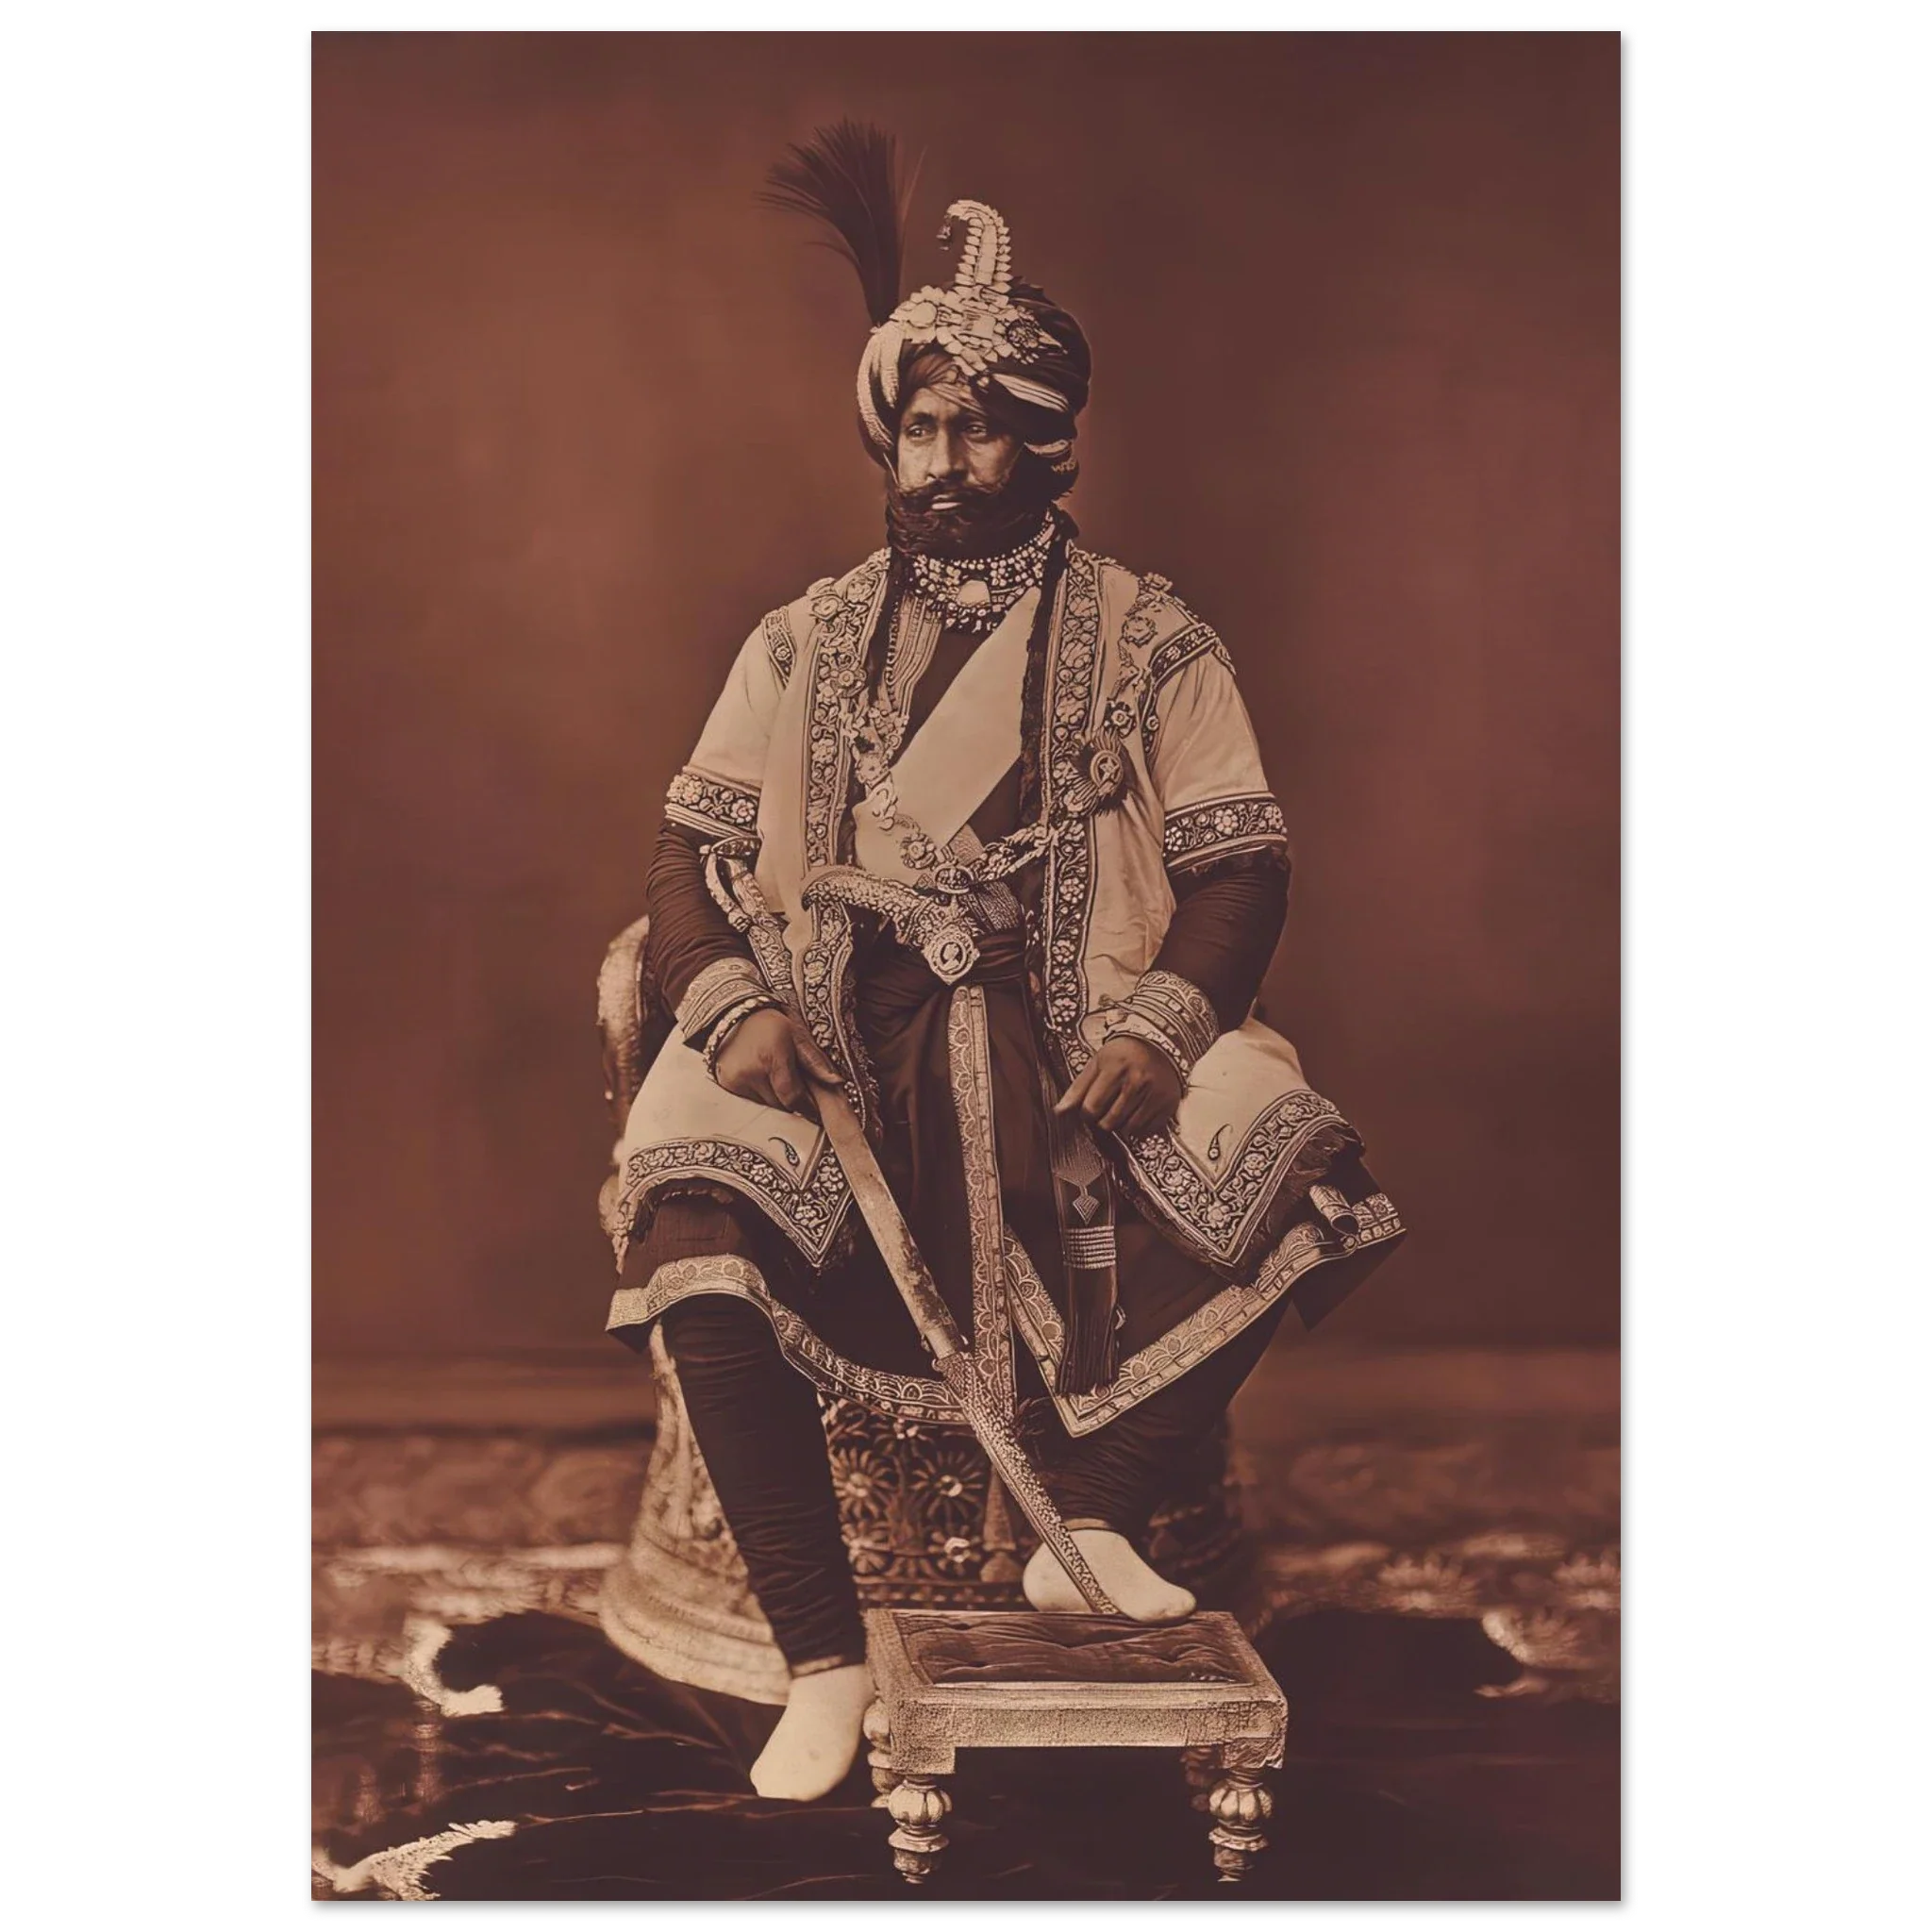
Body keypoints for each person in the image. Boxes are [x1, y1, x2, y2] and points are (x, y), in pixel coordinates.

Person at [600, 124, 1406, 1803]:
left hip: (1079, 1018)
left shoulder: (1153, 641)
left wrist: (1168, 1029)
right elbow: (689, 855)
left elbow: (1239, 867)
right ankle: (821, 1660)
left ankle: (1082, 1517)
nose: (947, 459)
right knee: (689, 1196)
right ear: (887, 437)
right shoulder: (803, 641)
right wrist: (730, 1003)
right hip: (830, 1023)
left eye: (982, 427)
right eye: (922, 426)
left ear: (1050, 442)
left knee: (1300, 1157)